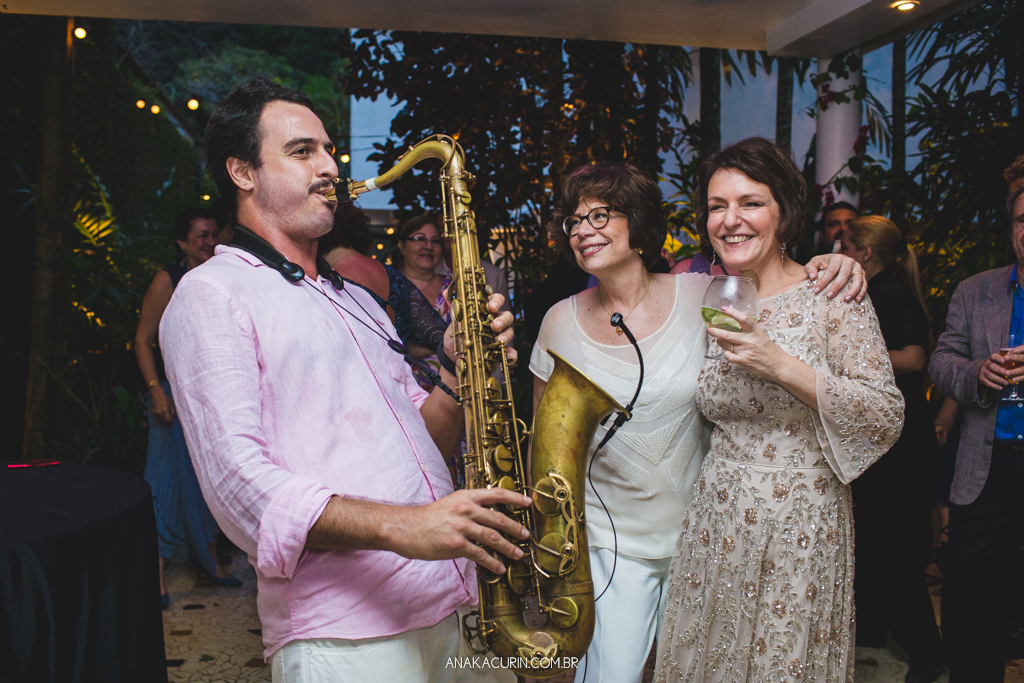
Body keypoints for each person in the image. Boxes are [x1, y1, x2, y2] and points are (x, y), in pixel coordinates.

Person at [160, 77, 526, 683]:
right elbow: (239, 492)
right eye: (302, 151)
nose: (330, 166)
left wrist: (461, 366)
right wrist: (406, 526)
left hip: (451, 604)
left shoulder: (355, 297)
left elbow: (422, 439)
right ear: (242, 172)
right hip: (345, 636)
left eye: (330, 150)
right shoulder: (210, 294)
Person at [530, 161, 867, 683]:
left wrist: (834, 264)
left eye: (600, 214)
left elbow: (779, 292)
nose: (584, 229)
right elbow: (548, 445)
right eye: (574, 221)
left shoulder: (703, 294)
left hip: (708, 533)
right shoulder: (557, 320)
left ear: (638, 224)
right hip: (610, 542)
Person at [654, 137, 903, 683]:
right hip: (717, 520)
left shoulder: (830, 294)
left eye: (750, 203)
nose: (730, 220)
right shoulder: (707, 296)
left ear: (784, 214)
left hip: (801, 524)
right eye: (717, 206)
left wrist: (780, 363)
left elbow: (885, 412)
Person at [836, 215, 943, 683]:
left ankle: (927, 655)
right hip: (889, 442)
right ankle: (875, 635)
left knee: (894, 553)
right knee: (879, 545)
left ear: (863, 253)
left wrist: (850, 361)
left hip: (899, 446)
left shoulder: (890, 293)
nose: (837, 249)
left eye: (845, 243)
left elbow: (916, 357)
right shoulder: (881, 288)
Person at [929, 186, 1024, 683]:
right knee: (970, 603)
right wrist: (975, 374)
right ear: (1011, 229)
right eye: (1023, 219)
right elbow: (941, 363)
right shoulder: (975, 290)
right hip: (985, 471)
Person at [134, 206, 241, 609]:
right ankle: (156, 573)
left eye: (214, 233)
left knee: (205, 479)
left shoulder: (220, 276)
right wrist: (155, 390)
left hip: (210, 394)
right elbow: (142, 340)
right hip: (169, 394)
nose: (210, 240)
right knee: (161, 480)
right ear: (182, 242)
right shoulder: (169, 279)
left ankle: (209, 561)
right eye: (201, 234)